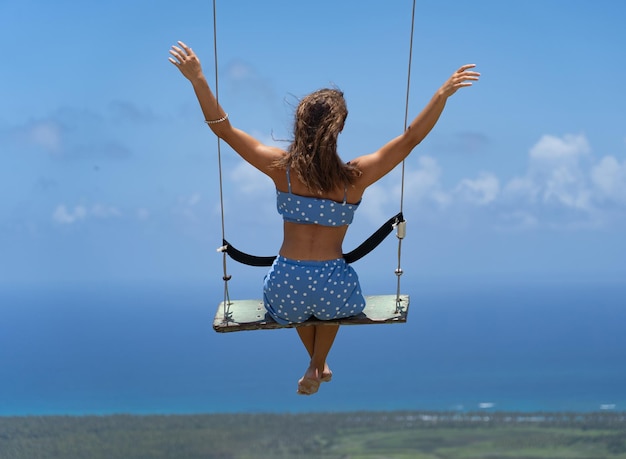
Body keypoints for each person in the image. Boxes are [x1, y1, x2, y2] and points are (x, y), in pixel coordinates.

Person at [169, 40, 479, 395]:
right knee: (330, 304)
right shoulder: (354, 178)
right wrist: (442, 94)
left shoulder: (282, 170)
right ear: (339, 128)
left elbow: (223, 129)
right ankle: (317, 364)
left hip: (287, 284)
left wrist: (198, 80)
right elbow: (410, 139)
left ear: (300, 126)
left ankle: (317, 364)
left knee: (299, 306)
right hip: (333, 284)